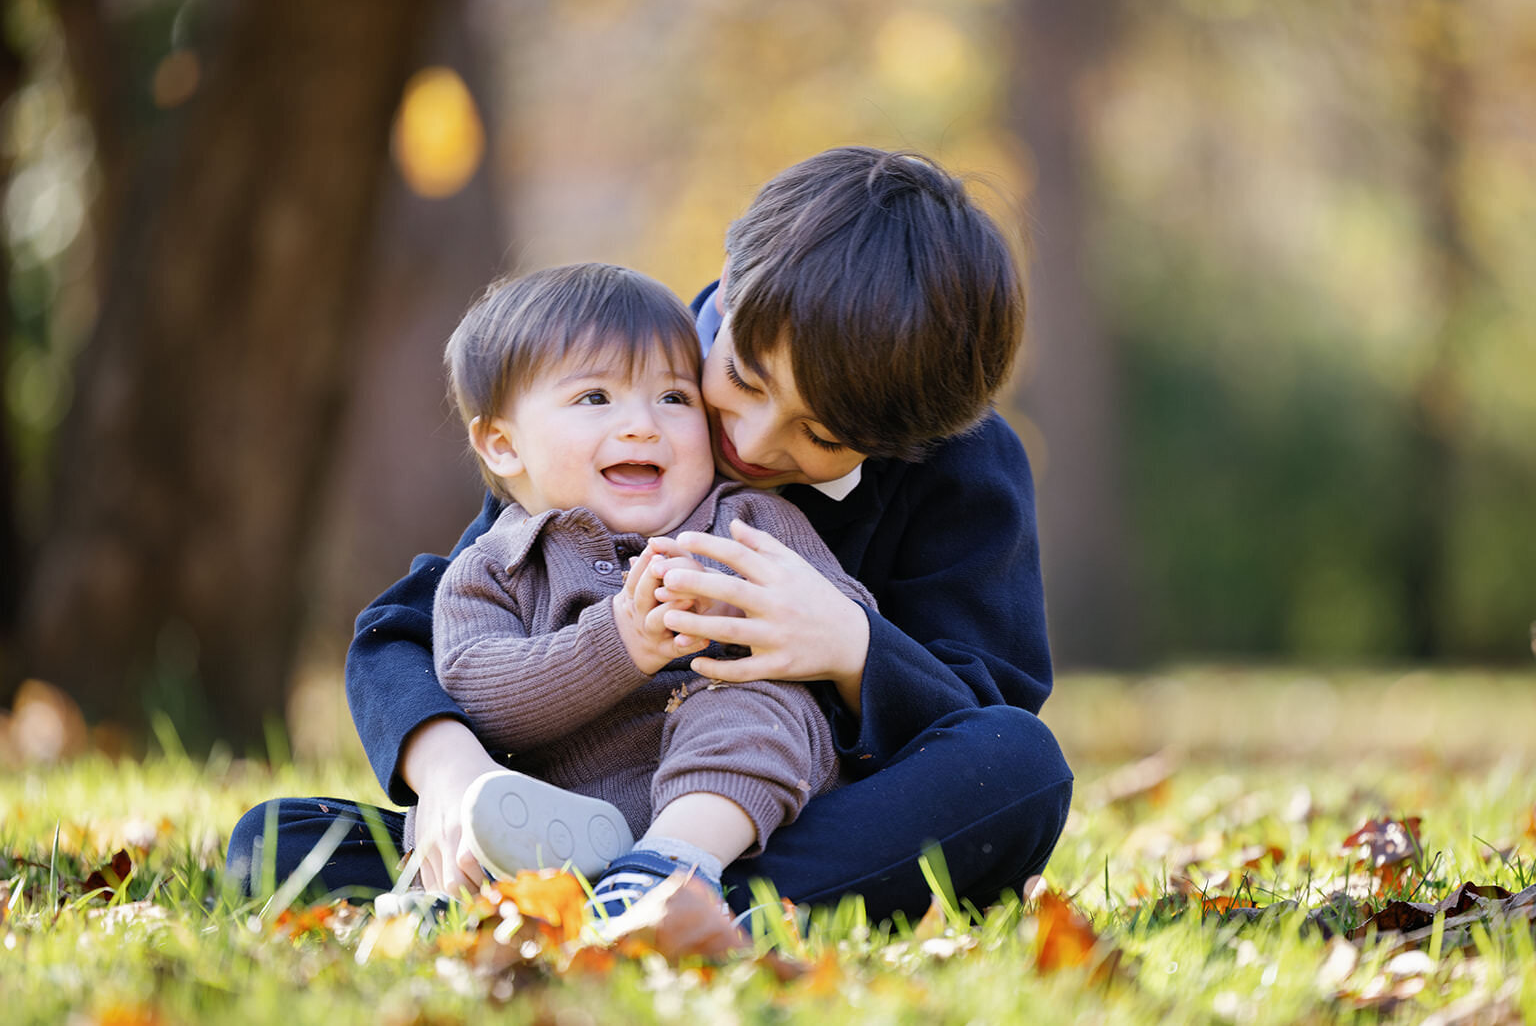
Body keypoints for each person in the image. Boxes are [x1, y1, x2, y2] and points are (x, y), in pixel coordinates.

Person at [228, 146, 1074, 922]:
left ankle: (658, 889)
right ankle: (594, 889)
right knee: (275, 841)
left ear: (901, 441)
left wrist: (849, 644)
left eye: (819, 437)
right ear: (731, 285)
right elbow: (415, 628)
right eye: (740, 377)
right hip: (578, 796)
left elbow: (986, 705)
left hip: (798, 815)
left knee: (1021, 767)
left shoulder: (962, 467)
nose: (752, 437)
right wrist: (454, 777)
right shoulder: (637, 385)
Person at [422, 262, 874, 913]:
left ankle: (667, 862)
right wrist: (620, 641)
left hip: (728, 807)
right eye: (595, 398)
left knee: (754, 699)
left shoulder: (749, 519)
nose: (643, 425)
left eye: (674, 397)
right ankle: (466, 893)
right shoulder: (496, 566)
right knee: (462, 789)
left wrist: (755, 617)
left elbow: (843, 613)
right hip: (560, 810)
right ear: (501, 443)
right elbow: (476, 691)